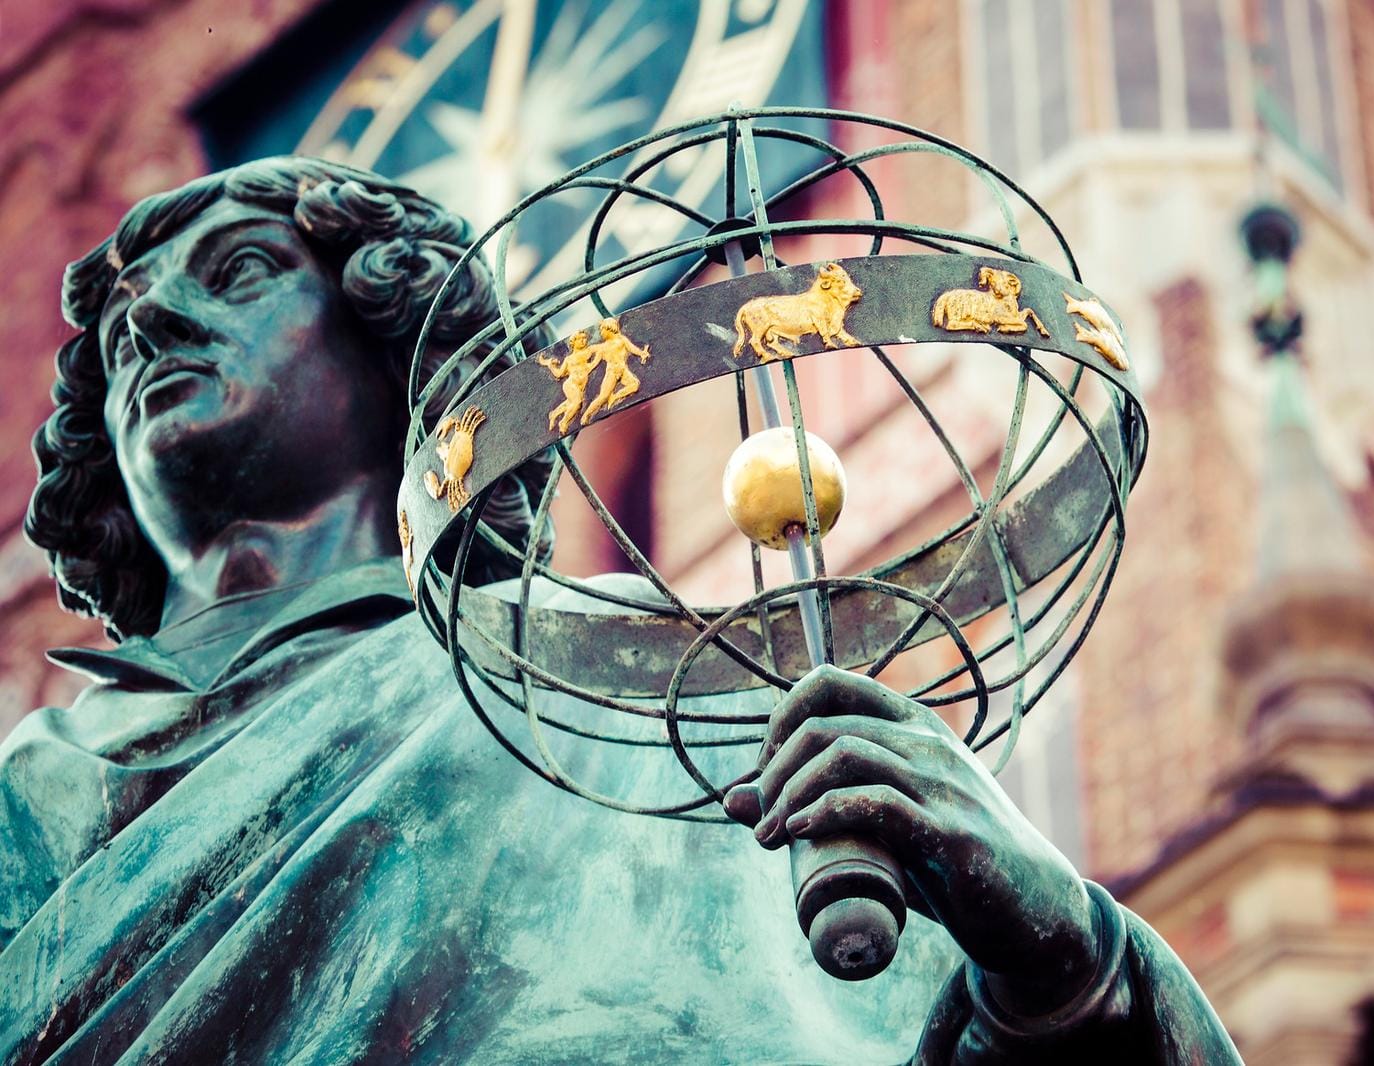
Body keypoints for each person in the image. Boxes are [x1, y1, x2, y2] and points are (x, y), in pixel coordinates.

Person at [1, 158, 1240, 1064]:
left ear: (396, 349)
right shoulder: (30, 782)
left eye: (240, 272)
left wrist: (1065, 968)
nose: (150, 321)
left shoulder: (619, 670)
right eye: (116, 336)